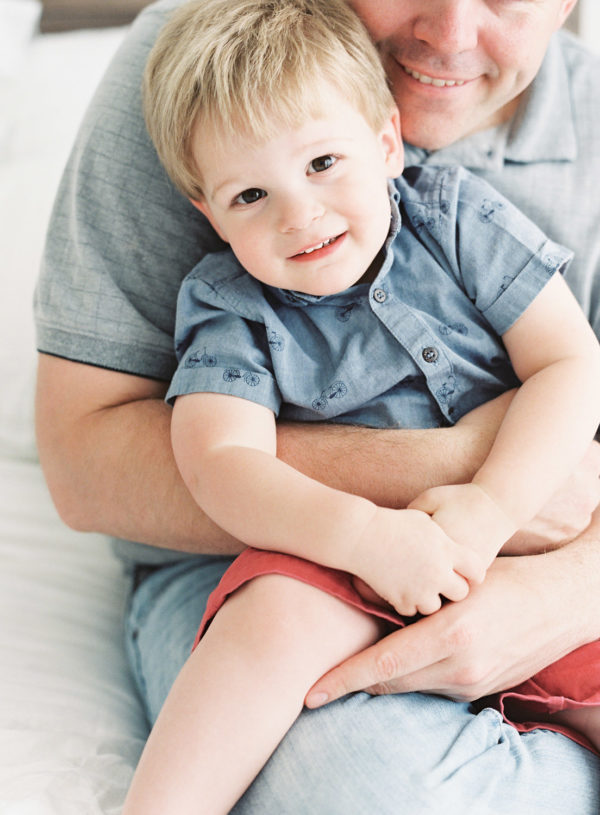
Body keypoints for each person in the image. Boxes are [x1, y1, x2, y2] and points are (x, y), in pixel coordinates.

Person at [33, 0, 600, 812]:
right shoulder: (232, 300)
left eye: (324, 163)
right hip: (323, 551)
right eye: (250, 195)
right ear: (208, 212)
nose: (299, 214)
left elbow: (571, 362)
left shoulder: (456, 216)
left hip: (537, 556)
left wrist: (500, 519)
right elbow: (218, 463)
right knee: (283, 630)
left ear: (385, 142)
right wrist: (369, 531)